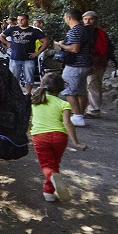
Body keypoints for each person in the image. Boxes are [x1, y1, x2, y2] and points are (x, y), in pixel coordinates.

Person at [30, 72, 88, 202]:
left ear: (42, 85)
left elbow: (26, 119)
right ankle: (48, 192)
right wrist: (76, 142)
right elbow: (68, 123)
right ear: (62, 88)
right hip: (59, 137)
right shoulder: (64, 104)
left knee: (47, 165)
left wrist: (27, 133)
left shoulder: (35, 100)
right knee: (55, 164)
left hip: (40, 137)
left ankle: (50, 180)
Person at [54, 9, 93, 126]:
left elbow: (75, 48)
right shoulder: (83, 29)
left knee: (68, 90)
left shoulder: (75, 31)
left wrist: (61, 45)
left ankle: (77, 116)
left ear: (69, 18)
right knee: (81, 91)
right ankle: (80, 114)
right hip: (85, 64)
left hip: (76, 65)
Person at [0, 13, 49, 96]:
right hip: (15, 57)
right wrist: (7, 43)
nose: (20, 21)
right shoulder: (13, 29)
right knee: (14, 79)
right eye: (18, 20)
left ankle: (28, 94)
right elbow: (1, 36)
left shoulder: (34, 31)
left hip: (28, 58)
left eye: (22, 19)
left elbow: (46, 41)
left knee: (29, 78)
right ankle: (15, 95)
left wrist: (38, 53)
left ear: (27, 20)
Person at [82, 11, 114, 118]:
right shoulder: (85, 31)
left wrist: (94, 59)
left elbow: (102, 50)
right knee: (88, 85)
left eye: (91, 19)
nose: (88, 21)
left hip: (97, 63)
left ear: (96, 20)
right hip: (87, 62)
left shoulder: (100, 33)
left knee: (93, 85)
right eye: (86, 19)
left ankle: (94, 110)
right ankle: (87, 108)